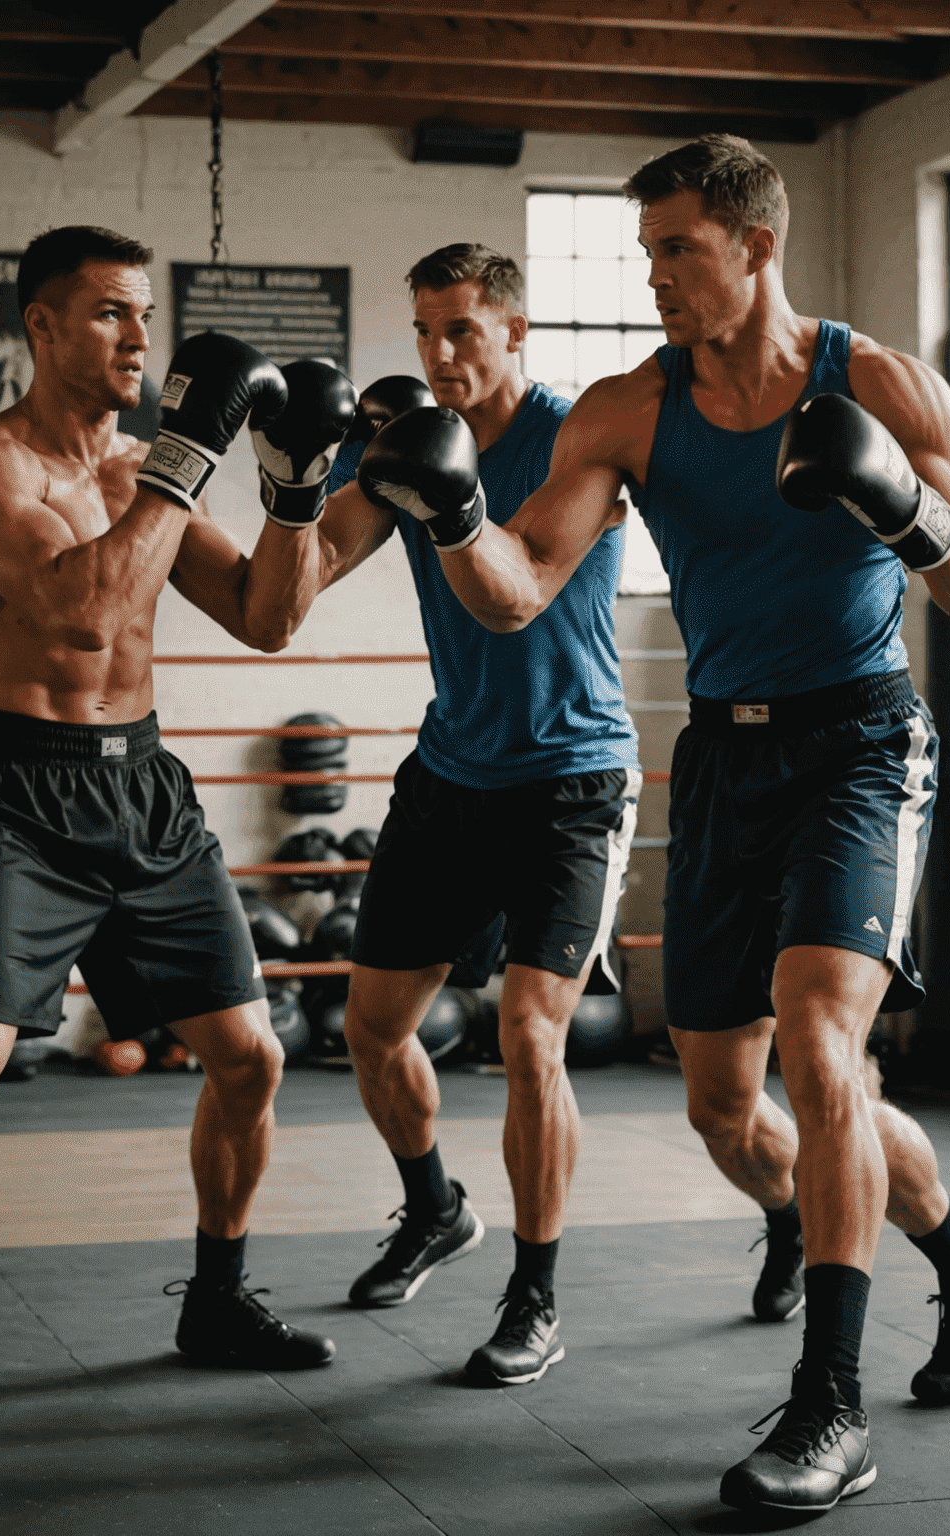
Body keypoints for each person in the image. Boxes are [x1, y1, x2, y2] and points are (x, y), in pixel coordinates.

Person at [367, 137, 950, 1515]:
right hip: (725, 765)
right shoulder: (627, 411)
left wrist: (900, 509)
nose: (655, 274)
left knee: (820, 1035)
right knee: (732, 1114)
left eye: (677, 247)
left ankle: (830, 1402)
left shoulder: (879, 382)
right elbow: (518, 590)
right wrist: (449, 514)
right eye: (648, 250)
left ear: (755, 246)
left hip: (859, 741)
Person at [0, 225, 345, 1446]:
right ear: (41, 328)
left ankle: (215, 1304)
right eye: (111, 314)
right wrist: (192, 450)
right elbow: (85, 610)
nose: (140, 340)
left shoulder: (139, 469)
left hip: (144, 791)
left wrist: (296, 489)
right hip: (17, 799)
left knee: (253, 1059)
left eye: (147, 316)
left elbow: (269, 618)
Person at [242, 243, 671, 1387]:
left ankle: (534, 1297)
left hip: (573, 781)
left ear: (515, 332)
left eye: (463, 332)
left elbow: (514, 597)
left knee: (529, 1033)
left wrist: (445, 494)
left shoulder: (577, 440)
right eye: (424, 331)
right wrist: (290, 494)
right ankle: (433, 1208)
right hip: (452, 777)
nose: (438, 355)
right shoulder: (403, 449)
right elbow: (281, 604)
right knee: (375, 1030)